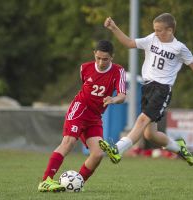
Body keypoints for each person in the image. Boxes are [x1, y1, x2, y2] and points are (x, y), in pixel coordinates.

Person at [99, 13, 193, 166]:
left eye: (159, 30)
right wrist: (114, 27)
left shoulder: (179, 48)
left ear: (170, 30)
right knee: (149, 134)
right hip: (147, 87)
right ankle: (178, 147)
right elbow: (129, 43)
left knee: (142, 119)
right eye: (155, 29)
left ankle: (118, 149)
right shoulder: (152, 38)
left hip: (162, 89)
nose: (156, 32)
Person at [37, 40, 126, 192]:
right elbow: (85, 87)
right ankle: (46, 181)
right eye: (98, 58)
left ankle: (77, 183)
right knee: (69, 142)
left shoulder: (118, 71)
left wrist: (113, 99)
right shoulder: (85, 68)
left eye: (105, 59)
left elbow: (122, 96)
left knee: (98, 154)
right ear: (94, 54)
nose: (101, 62)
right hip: (79, 109)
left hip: (95, 116)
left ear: (112, 57)